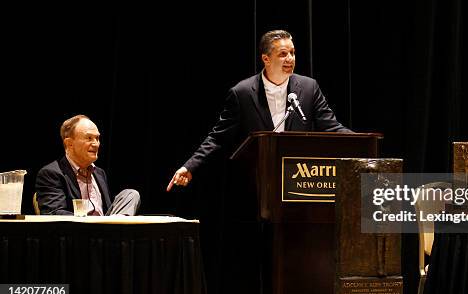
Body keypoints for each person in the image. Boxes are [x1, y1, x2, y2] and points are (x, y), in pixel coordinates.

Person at [166, 29, 351, 191]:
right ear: (266, 59)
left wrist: (364, 144)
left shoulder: (309, 87)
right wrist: (190, 167)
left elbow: (331, 127)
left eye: (293, 53)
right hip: (256, 185)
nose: (290, 59)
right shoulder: (243, 93)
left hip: (300, 180)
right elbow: (218, 138)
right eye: (283, 54)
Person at [35, 114, 140, 215]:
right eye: (89, 138)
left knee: (130, 194)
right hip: (77, 230)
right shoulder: (51, 173)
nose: (96, 144)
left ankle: (114, 226)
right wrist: (86, 221)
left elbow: (106, 209)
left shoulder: (100, 173)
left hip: (105, 227)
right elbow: (54, 213)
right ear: (69, 143)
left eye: (97, 138)